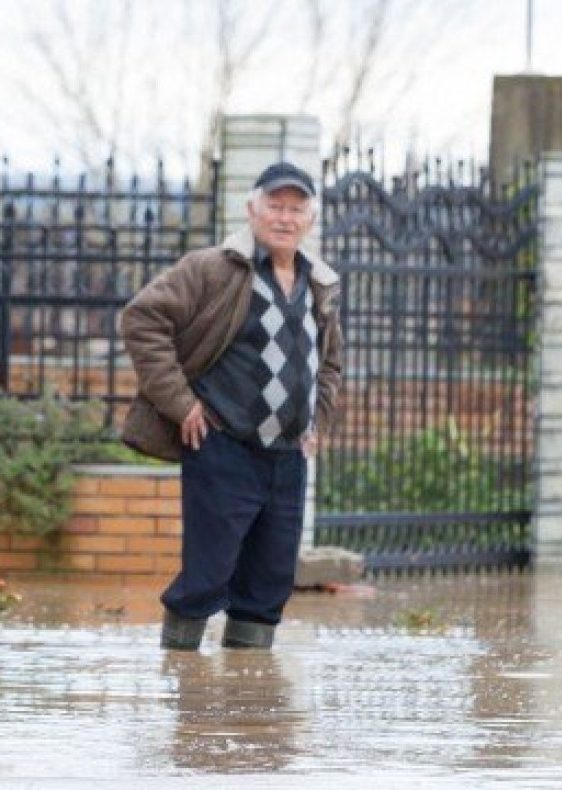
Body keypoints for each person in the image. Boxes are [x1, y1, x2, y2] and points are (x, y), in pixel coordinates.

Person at [119, 161, 343, 651]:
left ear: (310, 219)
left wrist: (317, 421)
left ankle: (250, 704)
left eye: (296, 208)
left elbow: (330, 364)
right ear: (252, 210)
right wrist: (181, 404)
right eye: (275, 206)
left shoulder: (319, 283)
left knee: (269, 582)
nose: (285, 218)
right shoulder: (213, 268)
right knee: (206, 574)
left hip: (287, 456)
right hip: (223, 446)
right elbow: (142, 319)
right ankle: (182, 687)